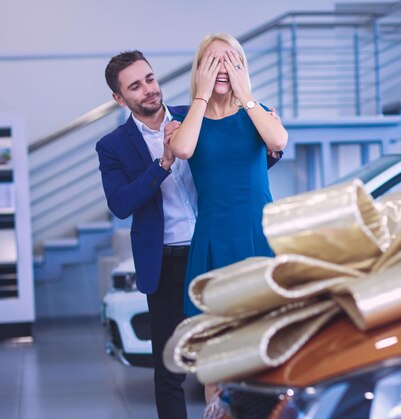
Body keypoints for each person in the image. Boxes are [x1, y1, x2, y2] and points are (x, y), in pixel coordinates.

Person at [95, 50, 281, 419]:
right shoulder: (112, 146)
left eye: (149, 78)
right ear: (120, 98)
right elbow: (120, 203)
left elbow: (248, 157)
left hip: (217, 246)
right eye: (135, 86)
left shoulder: (196, 113)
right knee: (171, 368)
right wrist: (163, 164)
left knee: (234, 348)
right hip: (166, 260)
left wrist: (267, 135)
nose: (148, 89)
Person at [167, 33, 288, 417]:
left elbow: (279, 139)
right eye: (213, 61)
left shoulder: (257, 111)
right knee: (216, 346)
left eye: (231, 60)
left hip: (257, 235)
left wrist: (247, 96)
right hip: (214, 240)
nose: (223, 68)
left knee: (264, 339)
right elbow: (183, 149)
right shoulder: (186, 120)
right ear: (200, 69)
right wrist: (201, 97)